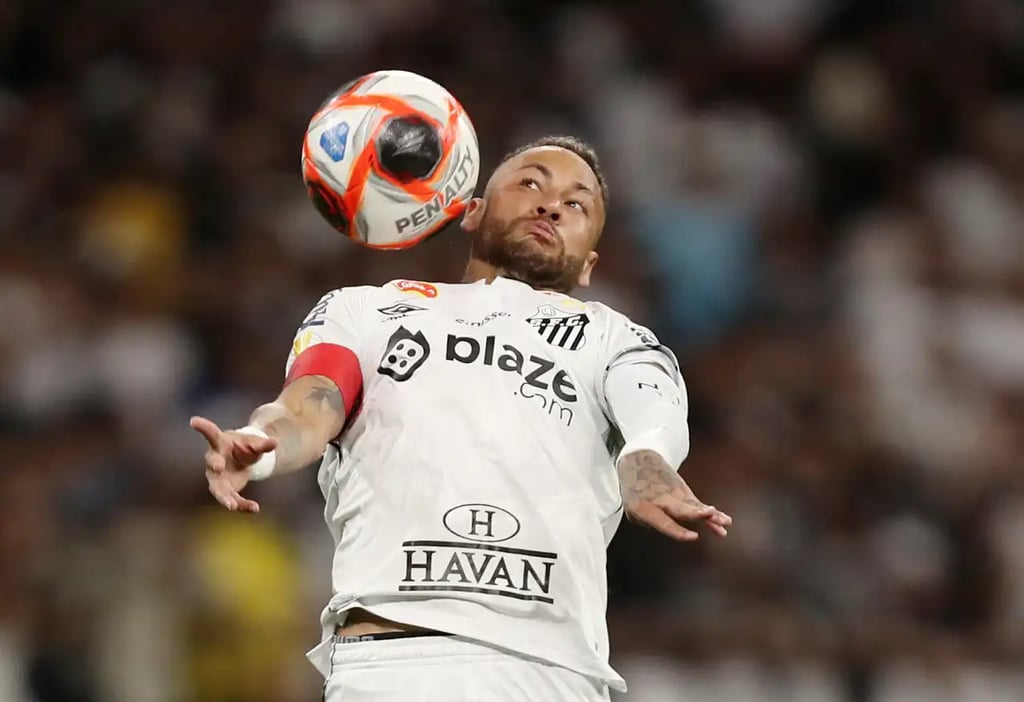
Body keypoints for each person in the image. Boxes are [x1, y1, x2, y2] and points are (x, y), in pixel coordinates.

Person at [190, 135, 732, 701]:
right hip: (398, 662)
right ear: (470, 211)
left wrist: (648, 459)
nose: (551, 205)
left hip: (552, 674)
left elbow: (653, 407)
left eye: (577, 205)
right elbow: (311, 402)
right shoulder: (365, 309)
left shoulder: (614, 338)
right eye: (531, 183)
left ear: (590, 262)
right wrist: (262, 442)